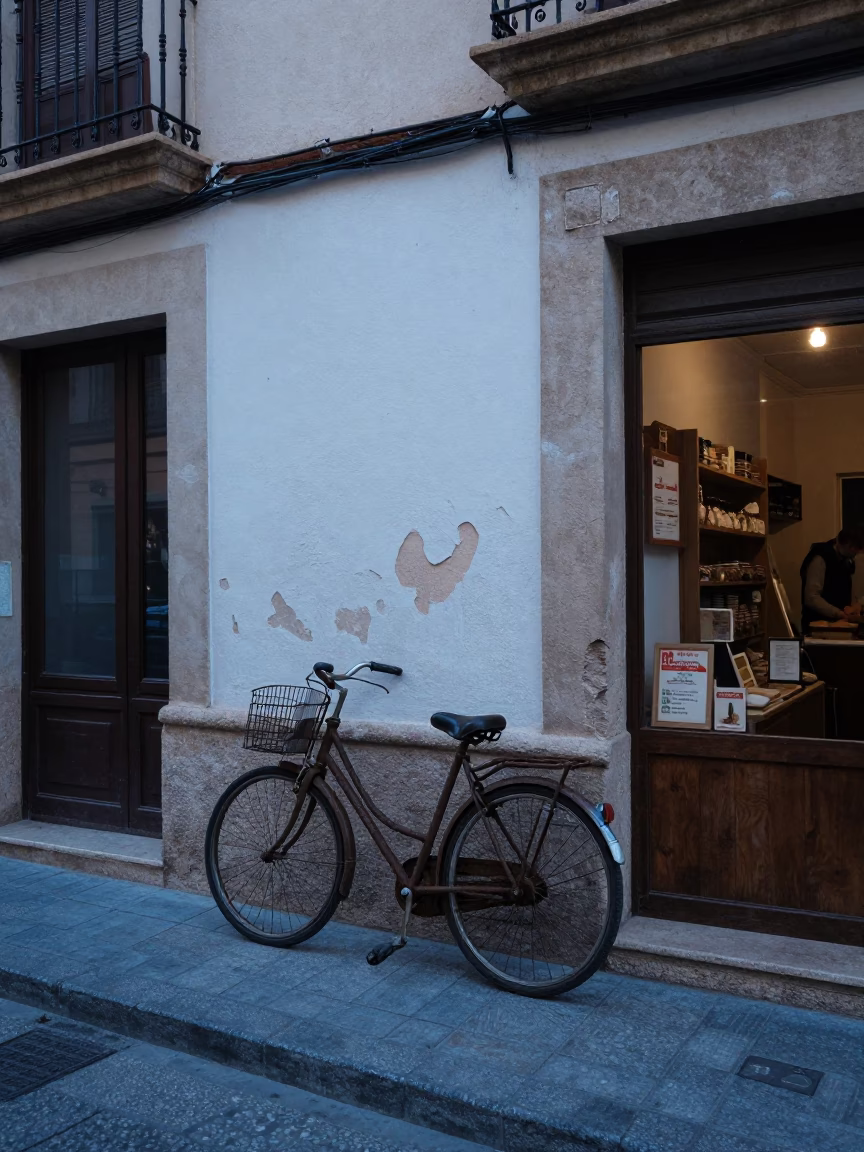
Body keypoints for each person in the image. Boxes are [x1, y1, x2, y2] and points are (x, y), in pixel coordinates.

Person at [800, 528, 864, 632]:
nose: (856, 554)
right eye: (854, 550)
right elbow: (811, 597)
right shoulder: (820, 557)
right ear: (847, 544)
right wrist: (838, 613)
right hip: (818, 627)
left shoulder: (845, 559)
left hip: (837, 625)